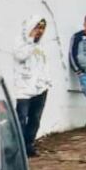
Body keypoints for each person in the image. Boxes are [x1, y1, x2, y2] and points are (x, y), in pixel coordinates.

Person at [11, 15, 53, 157]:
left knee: (35, 118)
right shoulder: (20, 42)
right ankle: (18, 147)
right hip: (23, 89)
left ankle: (28, 145)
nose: (39, 31)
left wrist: (46, 81)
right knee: (21, 118)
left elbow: (44, 64)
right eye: (37, 27)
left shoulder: (41, 45)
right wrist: (30, 40)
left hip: (40, 88)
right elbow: (20, 56)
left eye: (42, 28)